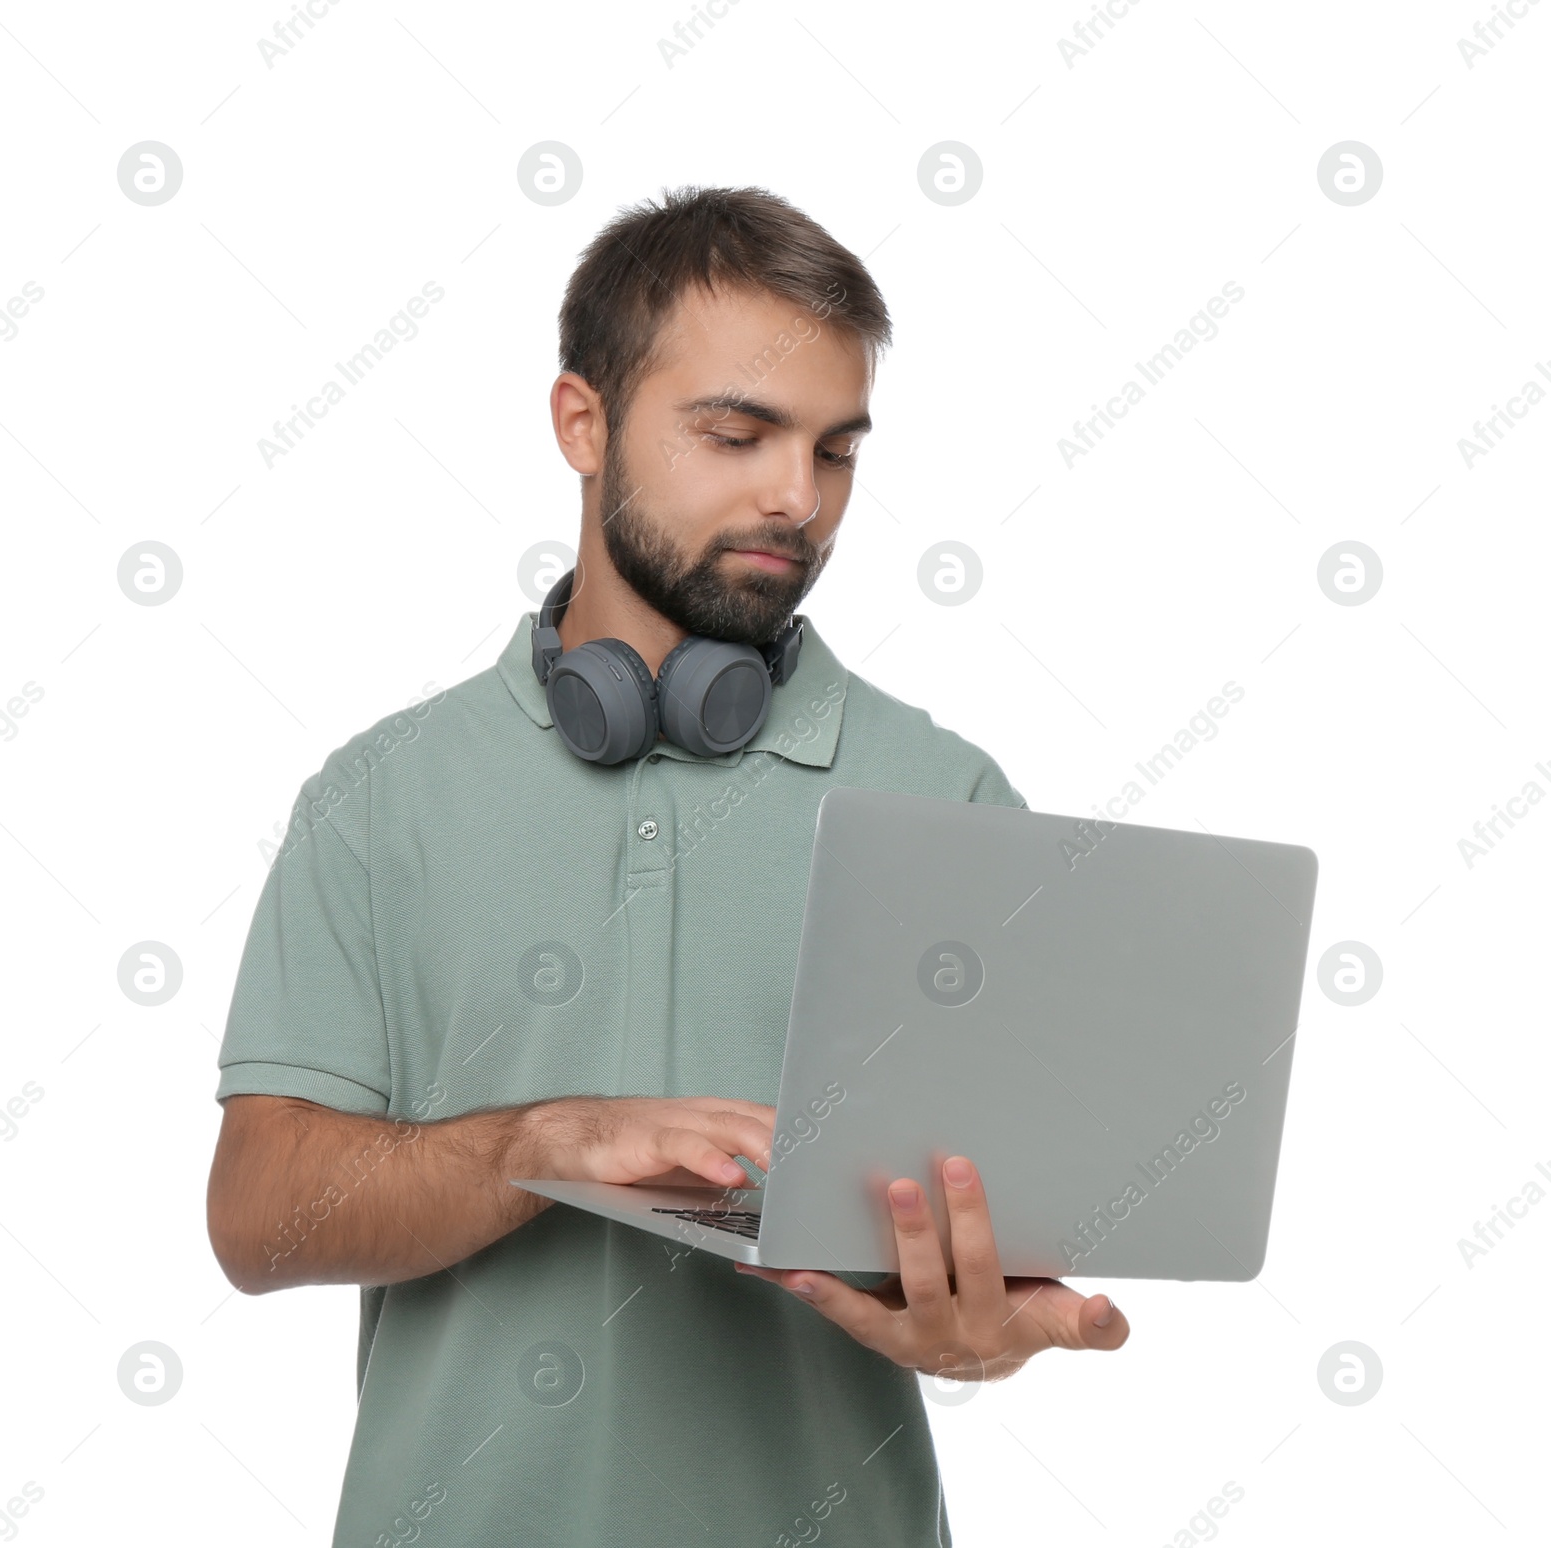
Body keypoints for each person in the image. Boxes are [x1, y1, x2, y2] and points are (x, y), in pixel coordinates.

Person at [206, 184, 1129, 1548]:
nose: (795, 497)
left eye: (836, 451)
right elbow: (258, 1219)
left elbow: (1002, 1243)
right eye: (738, 433)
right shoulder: (379, 798)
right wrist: (541, 1143)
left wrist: (980, 1337)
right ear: (582, 423)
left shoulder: (951, 801)